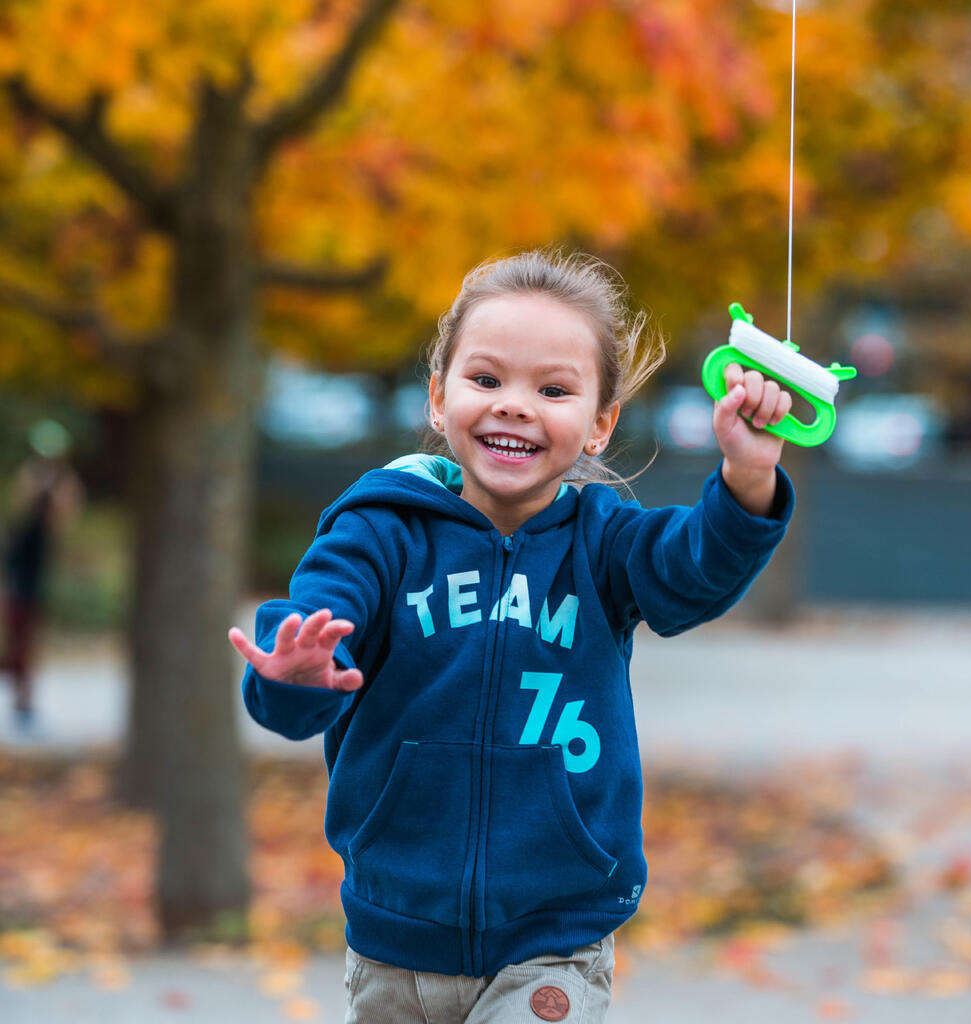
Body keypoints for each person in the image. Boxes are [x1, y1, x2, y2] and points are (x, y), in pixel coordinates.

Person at [229, 249, 795, 1024]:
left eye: (553, 389)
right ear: (438, 397)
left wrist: (747, 479)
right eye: (486, 380)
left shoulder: (604, 542)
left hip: (553, 937)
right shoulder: (380, 533)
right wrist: (296, 674)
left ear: (599, 425)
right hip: (396, 931)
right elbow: (315, 634)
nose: (515, 406)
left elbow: (691, 571)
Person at [2, 419, 83, 734]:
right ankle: (20, 693)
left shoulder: (64, 482)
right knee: (16, 631)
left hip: (38, 568)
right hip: (19, 564)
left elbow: (65, 519)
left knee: (27, 635)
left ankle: (23, 698)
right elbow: (20, 505)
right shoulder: (29, 476)